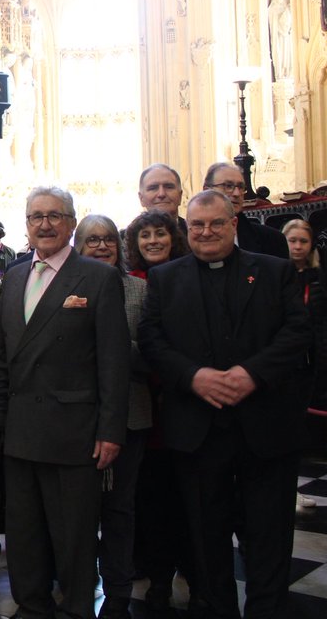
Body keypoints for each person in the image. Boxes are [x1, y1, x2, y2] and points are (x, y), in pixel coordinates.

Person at [140, 190, 310, 619]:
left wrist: (252, 374)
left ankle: (266, 611)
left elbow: (297, 333)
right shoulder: (165, 279)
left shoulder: (275, 271)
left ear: (234, 225)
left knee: (268, 534)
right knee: (204, 534)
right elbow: (152, 340)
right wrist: (193, 376)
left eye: (216, 223)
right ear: (187, 228)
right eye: (197, 225)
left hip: (265, 427)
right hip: (198, 430)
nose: (206, 232)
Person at [0, 187, 129, 619]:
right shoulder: (11, 276)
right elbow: (1, 358)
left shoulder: (97, 278)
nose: (44, 225)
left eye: (54, 216)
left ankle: (79, 607)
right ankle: (31, 605)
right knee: (23, 533)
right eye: (35, 217)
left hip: (75, 432)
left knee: (75, 535)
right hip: (19, 428)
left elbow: (114, 362)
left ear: (70, 222)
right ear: (25, 225)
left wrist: (110, 430)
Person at [73, 215, 151, 619]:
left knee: (120, 510)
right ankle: (79, 586)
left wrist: (113, 344)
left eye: (108, 240)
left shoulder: (138, 289)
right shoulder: (67, 287)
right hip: (76, 421)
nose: (101, 247)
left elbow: (153, 350)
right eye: (91, 240)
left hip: (130, 419)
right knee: (79, 513)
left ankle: (119, 591)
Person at [124, 208, 191, 612]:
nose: (152, 241)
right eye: (144, 235)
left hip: (180, 404)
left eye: (159, 234)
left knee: (183, 498)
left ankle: (187, 568)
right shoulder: (132, 284)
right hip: (142, 408)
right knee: (149, 497)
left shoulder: (186, 279)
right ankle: (156, 573)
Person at [282, 218, 327, 512]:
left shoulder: (315, 277)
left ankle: (296, 487)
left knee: (299, 428)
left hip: (306, 364)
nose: (298, 247)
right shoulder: (277, 274)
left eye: (304, 241)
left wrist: (323, 358)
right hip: (281, 365)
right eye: (293, 241)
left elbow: (321, 322)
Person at [202, 162, 288, 258]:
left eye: (241, 187)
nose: (237, 193)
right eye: (228, 186)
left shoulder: (272, 240)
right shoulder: (191, 237)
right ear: (207, 190)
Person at [125, 208, 188, 278]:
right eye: (145, 236)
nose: (153, 241)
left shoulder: (189, 275)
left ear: (173, 240)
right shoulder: (129, 283)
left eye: (160, 234)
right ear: (136, 243)